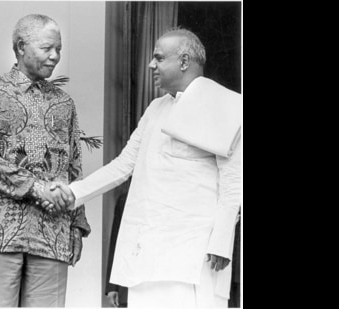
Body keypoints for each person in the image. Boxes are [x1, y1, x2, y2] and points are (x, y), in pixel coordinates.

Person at [53, 28, 242, 308]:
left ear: (184, 61)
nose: (151, 64)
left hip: (194, 251)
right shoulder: (155, 107)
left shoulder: (229, 105)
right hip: (149, 246)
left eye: (159, 57)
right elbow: (123, 165)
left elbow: (234, 181)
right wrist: (73, 192)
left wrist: (222, 240)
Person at [0, 14, 91, 307]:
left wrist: (76, 226)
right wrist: (37, 188)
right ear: (20, 46)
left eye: (59, 49)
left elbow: (74, 166)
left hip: (52, 234)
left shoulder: (65, 104)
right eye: (47, 48)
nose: (55, 56)